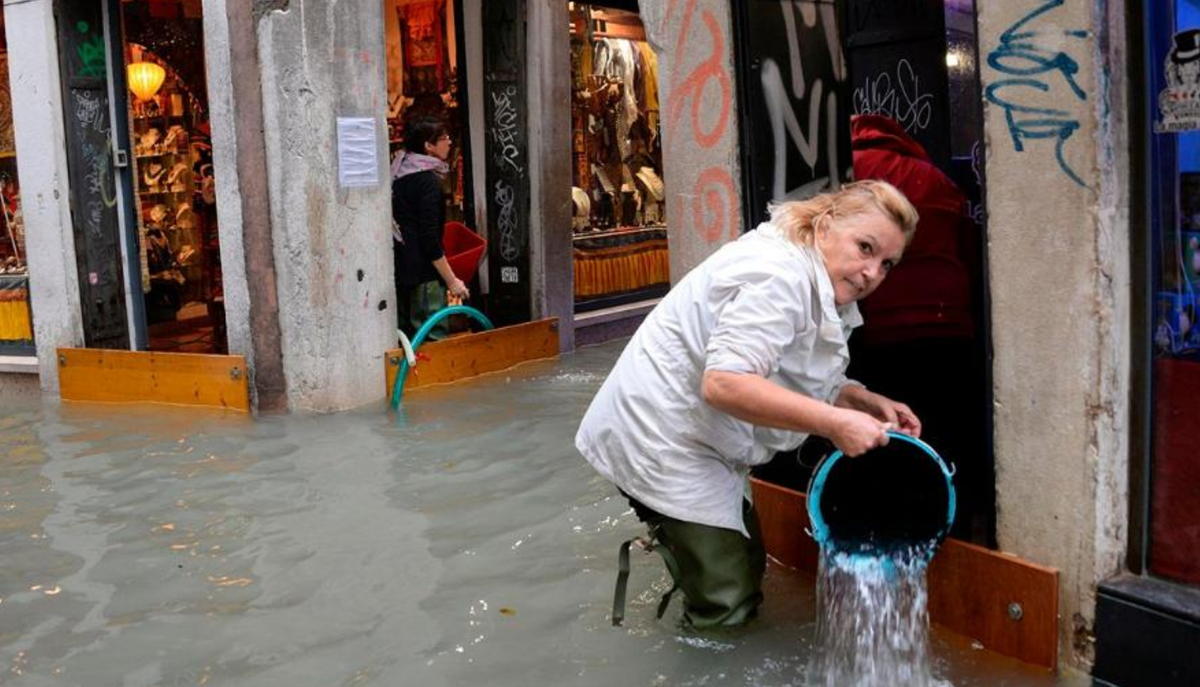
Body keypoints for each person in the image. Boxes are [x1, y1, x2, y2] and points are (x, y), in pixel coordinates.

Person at [576, 180, 921, 629]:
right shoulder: (778, 276)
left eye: (887, 263)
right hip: (662, 438)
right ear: (826, 226)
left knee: (746, 563)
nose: (872, 272)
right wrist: (834, 424)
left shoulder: (818, 277)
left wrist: (858, 398)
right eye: (865, 247)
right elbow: (725, 383)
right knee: (727, 603)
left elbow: (791, 371)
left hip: (703, 438)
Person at [847, 114, 987, 542]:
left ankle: (886, 532)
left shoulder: (852, 173)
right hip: (950, 325)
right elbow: (968, 249)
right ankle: (952, 533)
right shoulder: (936, 177)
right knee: (943, 433)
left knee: (883, 431)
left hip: (884, 327)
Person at [392, 115, 469, 340]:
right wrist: (452, 281)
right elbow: (429, 239)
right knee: (431, 339)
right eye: (444, 138)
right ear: (428, 146)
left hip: (402, 272)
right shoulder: (427, 183)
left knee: (407, 341)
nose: (450, 142)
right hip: (423, 277)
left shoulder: (399, 175)